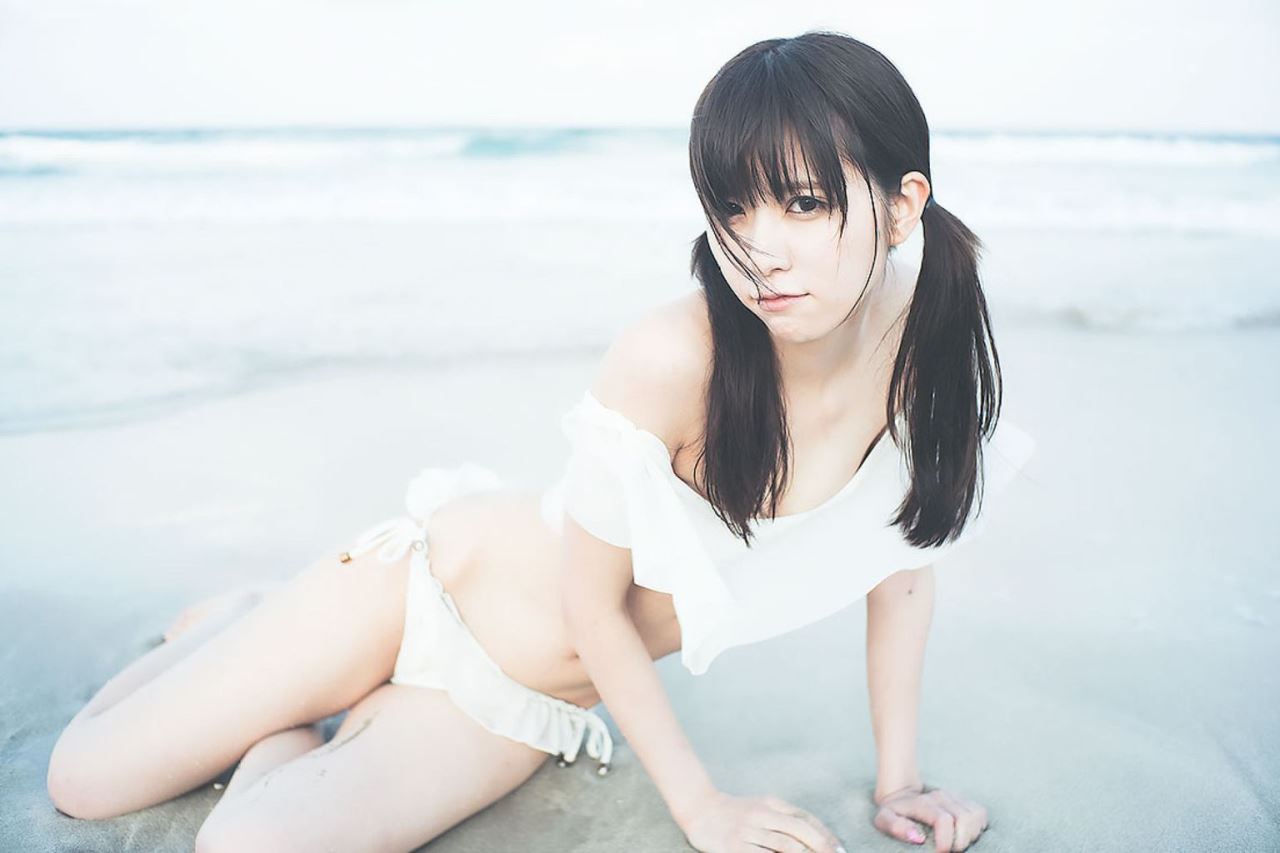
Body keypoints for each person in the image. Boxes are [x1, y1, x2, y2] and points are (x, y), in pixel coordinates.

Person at [45, 30, 1033, 853]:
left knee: (244, 847)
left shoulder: (926, 342)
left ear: (902, 205)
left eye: (804, 203)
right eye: (734, 206)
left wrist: (898, 782)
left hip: (516, 699)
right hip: (422, 590)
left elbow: (899, 563)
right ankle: (251, 621)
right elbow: (589, 602)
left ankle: (294, 699)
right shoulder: (672, 355)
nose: (760, 250)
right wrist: (701, 808)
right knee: (83, 781)